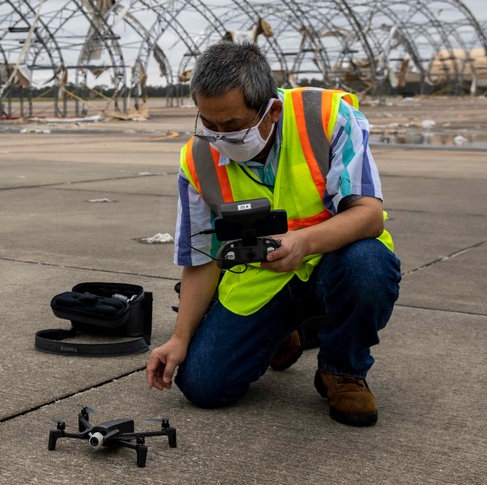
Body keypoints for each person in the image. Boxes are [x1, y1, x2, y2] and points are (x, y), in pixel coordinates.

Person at [145, 42, 401, 426]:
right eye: (209, 124)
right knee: (203, 387)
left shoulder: (327, 118)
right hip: (260, 280)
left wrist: (305, 242)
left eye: (232, 125)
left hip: (331, 266)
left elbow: (368, 216)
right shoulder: (196, 158)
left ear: (271, 111)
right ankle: (282, 332)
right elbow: (200, 260)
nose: (220, 137)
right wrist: (179, 339)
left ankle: (342, 371)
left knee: (369, 264)